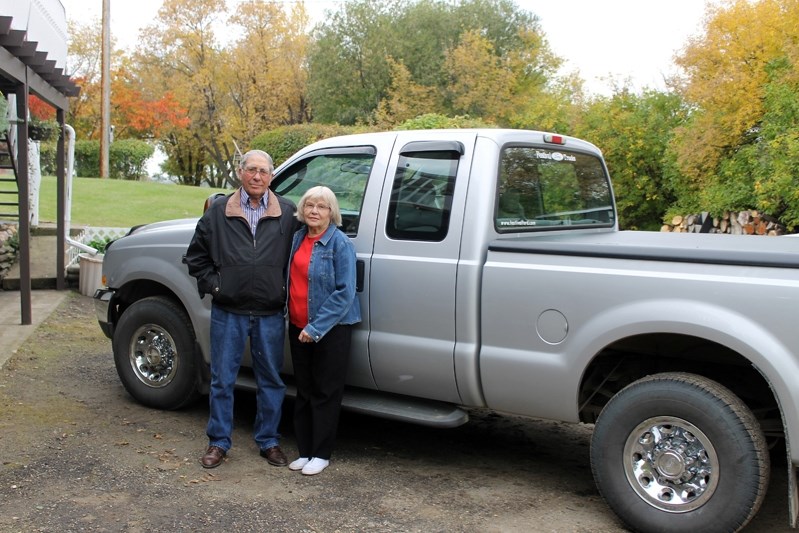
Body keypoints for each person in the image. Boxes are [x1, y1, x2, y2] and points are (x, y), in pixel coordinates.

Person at [184, 149, 296, 469]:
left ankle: (269, 440)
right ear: (240, 172)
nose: (257, 176)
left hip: (270, 313)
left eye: (263, 171)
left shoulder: (287, 213)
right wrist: (216, 287)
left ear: (271, 176)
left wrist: (284, 290)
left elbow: (300, 257)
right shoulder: (219, 211)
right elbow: (196, 257)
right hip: (228, 311)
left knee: (271, 380)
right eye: (252, 170)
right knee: (222, 379)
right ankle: (218, 441)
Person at [287, 186, 361, 476]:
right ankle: (304, 451)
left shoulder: (339, 244)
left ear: (332, 212)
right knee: (303, 391)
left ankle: (321, 453)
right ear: (302, 210)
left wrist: (315, 327)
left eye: (322, 206)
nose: (314, 211)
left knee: (325, 392)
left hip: (330, 329)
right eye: (309, 205)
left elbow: (345, 293)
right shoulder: (297, 239)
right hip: (297, 326)